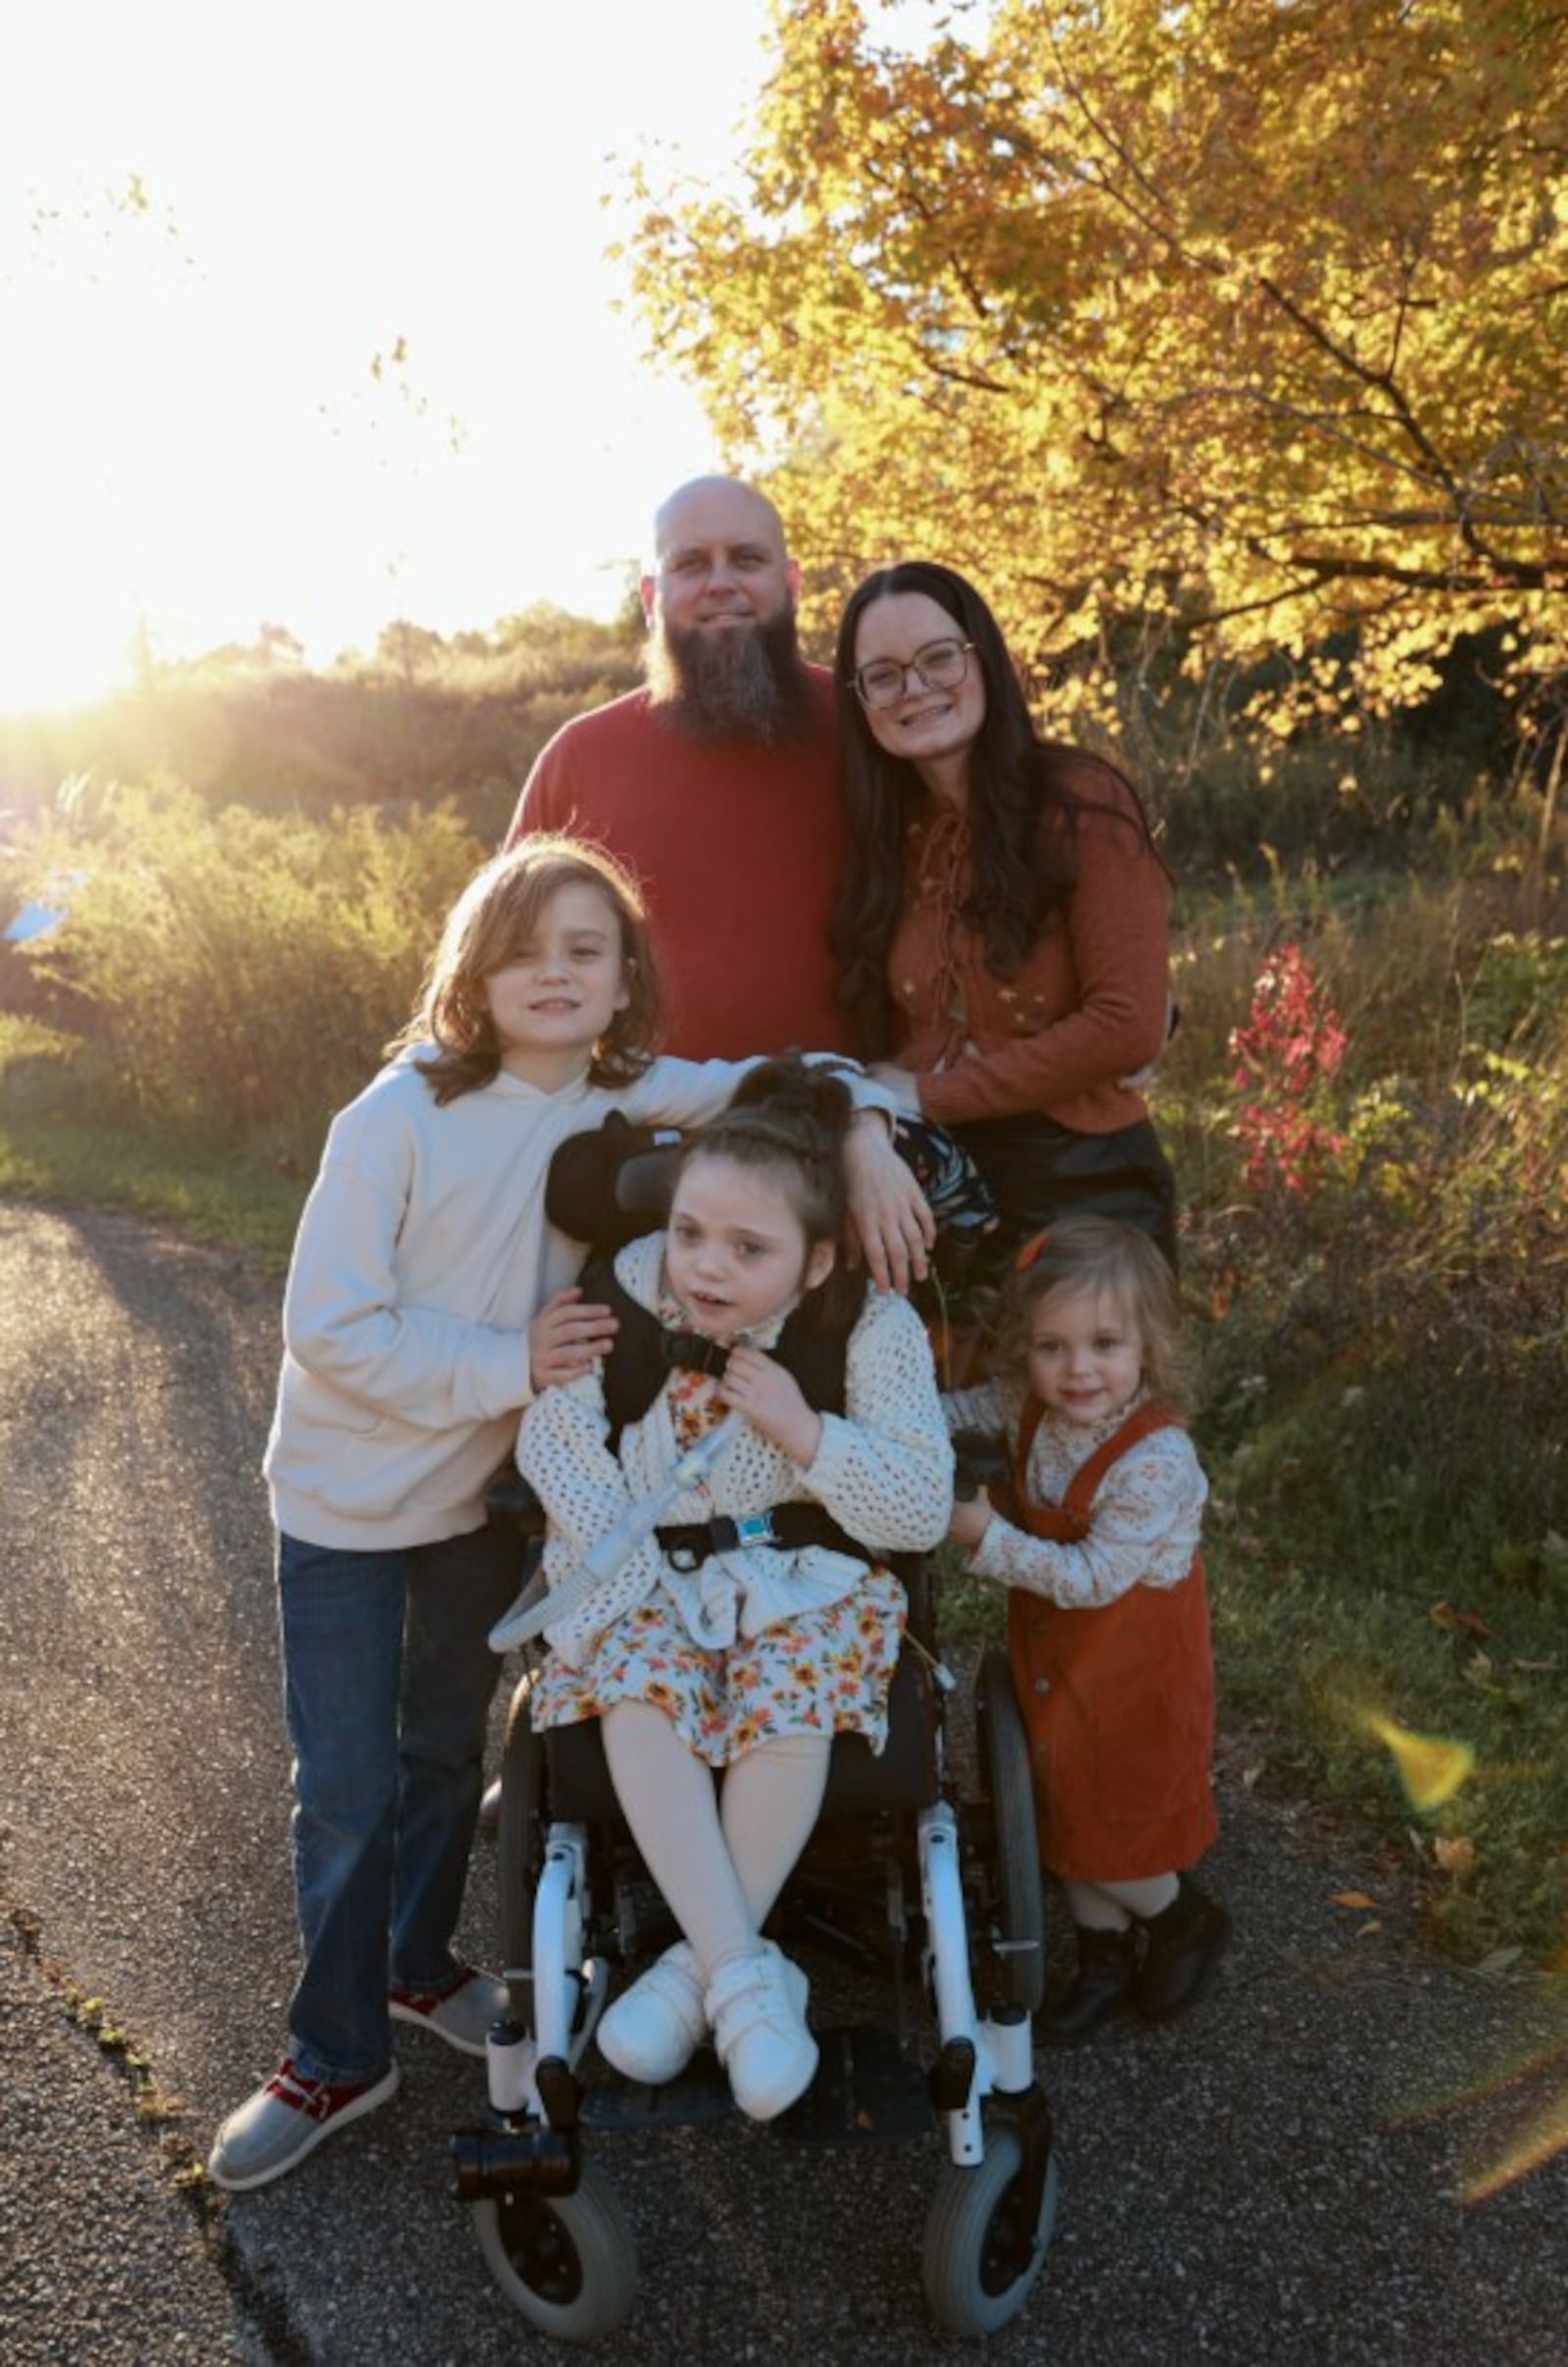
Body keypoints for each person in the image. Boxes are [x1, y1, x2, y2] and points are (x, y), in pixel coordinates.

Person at [207, 838, 906, 2193]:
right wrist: (507, 1362)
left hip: (482, 1491)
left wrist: (864, 1126)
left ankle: (414, 1971)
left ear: (625, 976)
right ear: (474, 968)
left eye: (589, 950)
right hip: (350, 1496)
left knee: (435, 1749)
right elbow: (328, 1323)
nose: (557, 972)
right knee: (347, 1786)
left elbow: (787, 1081)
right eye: (527, 947)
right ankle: (334, 2049)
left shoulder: (623, 1091)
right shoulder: (396, 1116)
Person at [516, 1058, 954, 2121]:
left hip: (799, 1573)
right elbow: (553, 1432)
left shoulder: (865, 1322)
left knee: (792, 1683)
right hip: (649, 1565)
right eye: (691, 1233)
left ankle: (692, 1975)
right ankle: (747, 1978)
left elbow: (920, 1507)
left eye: (747, 1250)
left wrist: (808, 1434)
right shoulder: (625, 1291)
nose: (706, 1269)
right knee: (636, 1684)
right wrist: (617, 1558)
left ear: (816, 1263)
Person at [503, 472, 935, 1299]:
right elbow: (500, 961)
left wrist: (1112, 1005)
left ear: (791, 581)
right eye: (691, 563)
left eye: (747, 558)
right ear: (650, 593)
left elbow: (980, 882)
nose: (721, 582)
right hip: (631, 1167)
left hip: (840, 1153)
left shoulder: (871, 732)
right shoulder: (581, 757)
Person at [832, 561, 1180, 1271]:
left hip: (1085, 1187)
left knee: (1079, 1384)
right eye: (885, 674)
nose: (917, 688)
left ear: (984, 659)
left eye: (938, 658)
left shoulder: (1080, 802)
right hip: (947, 1192)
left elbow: (1128, 1022)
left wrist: (929, 1093)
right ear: (861, 699)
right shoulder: (890, 837)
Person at [943, 1214, 1228, 2046]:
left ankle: (1182, 1919)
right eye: (1052, 1346)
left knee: (1117, 1831)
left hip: (1134, 1678)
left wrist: (982, 1535)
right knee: (1062, 1807)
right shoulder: (1027, 1405)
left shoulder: (1155, 1461)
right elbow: (960, 1404)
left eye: (1105, 1344)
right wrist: (885, 1420)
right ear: (1024, 1347)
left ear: (1149, 1345)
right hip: (1058, 1663)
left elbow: (1094, 1577)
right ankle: (1102, 1958)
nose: (1077, 1371)